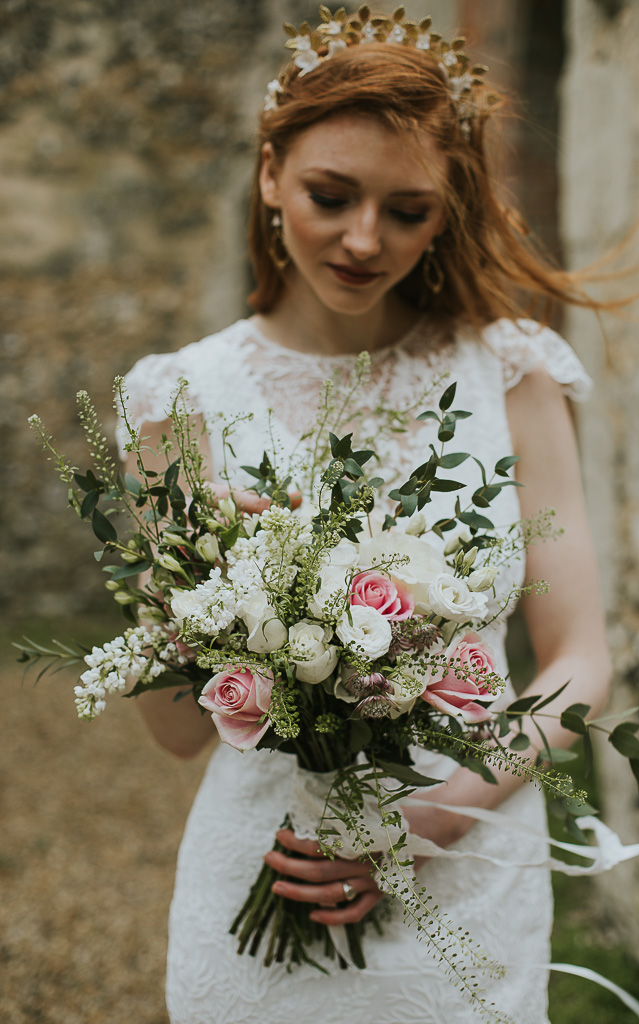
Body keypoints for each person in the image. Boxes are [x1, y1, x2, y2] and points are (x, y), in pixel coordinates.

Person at [120, 8, 613, 1023]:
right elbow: (174, 737)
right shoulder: (176, 399)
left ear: (446, 214)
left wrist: (424, 823)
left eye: (406, 211)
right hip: (265, 856)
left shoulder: (507, 373)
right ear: (269, 175)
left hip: (461, 866)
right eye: (329, 195)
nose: (361, 239)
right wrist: (197, 591)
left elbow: (578, 663)